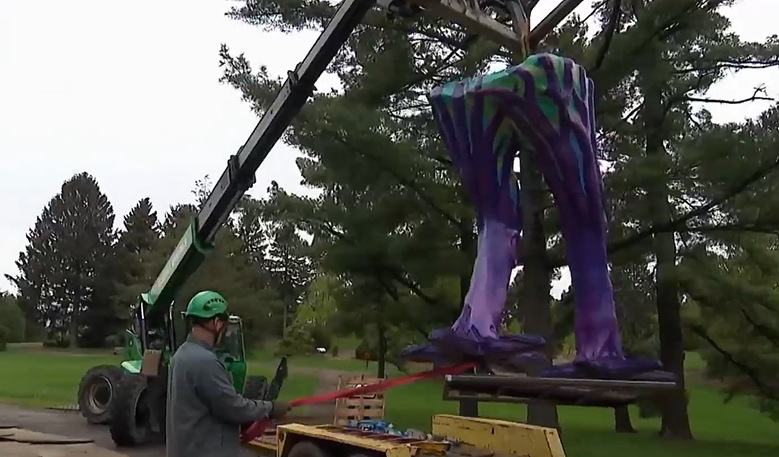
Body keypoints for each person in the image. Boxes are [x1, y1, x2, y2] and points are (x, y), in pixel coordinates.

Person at [166, 290, 290, 457]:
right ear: (217, 322)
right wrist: (271, 408)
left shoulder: (181, 355)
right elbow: (232, 407)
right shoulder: (204, 361)